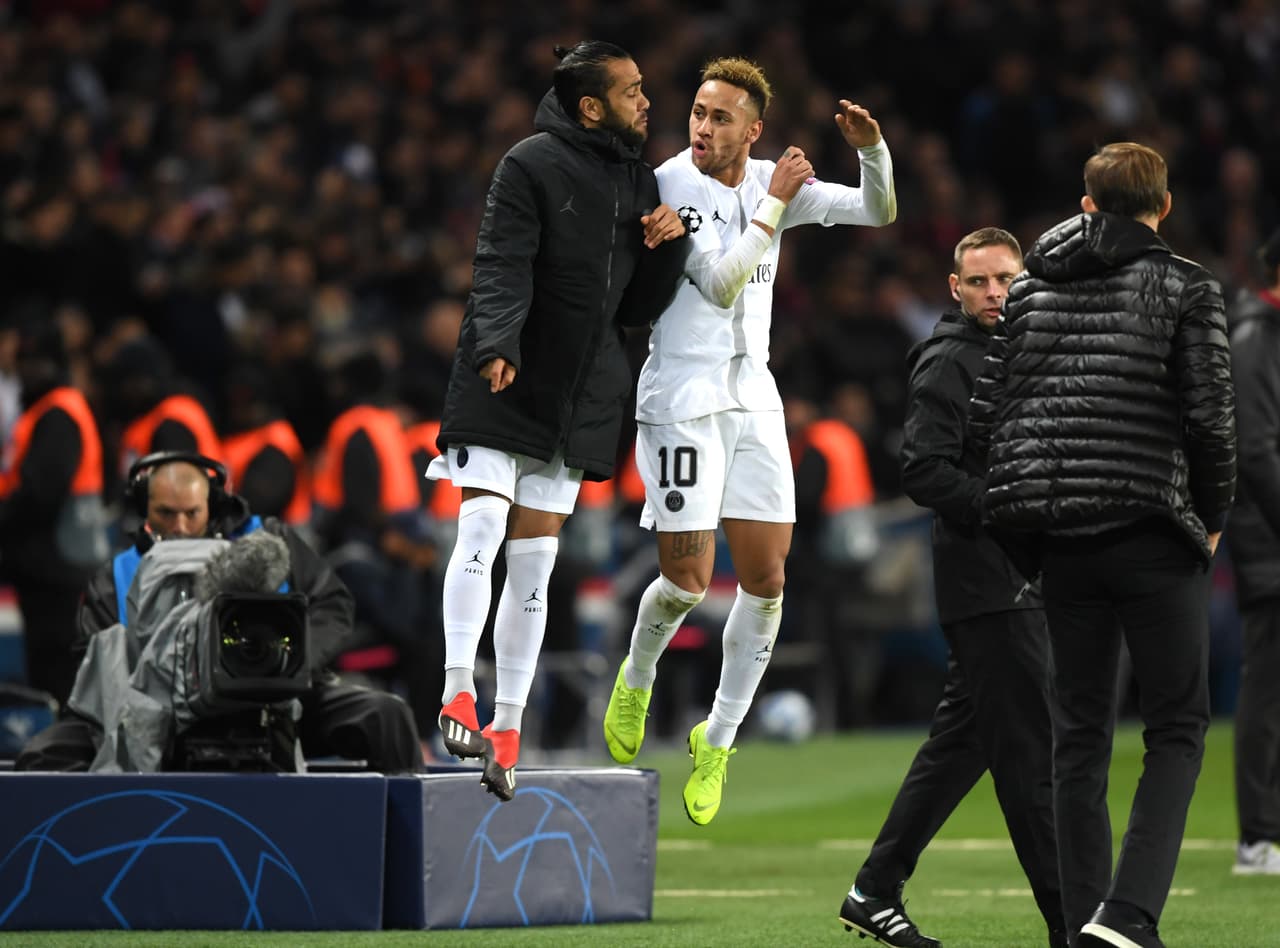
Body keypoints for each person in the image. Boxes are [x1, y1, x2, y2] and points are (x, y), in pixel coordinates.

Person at [601, 56, 897, 825]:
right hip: (682, 398)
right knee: (690, 580)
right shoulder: (668, 185)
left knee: (768, 581)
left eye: (720, 117)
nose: (703, 127)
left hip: (754, 398)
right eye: (698, 112)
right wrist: (774, 204)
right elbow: (721, 282)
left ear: (752, 129)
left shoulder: (772, 179)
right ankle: (637, 677)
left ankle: (719, 738)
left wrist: (871, 149)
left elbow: (877, 211)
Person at [968, 143, 1236, 948]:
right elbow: (1212, 420)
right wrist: (1211, 519)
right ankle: (1126, 917)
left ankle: (1082, 922)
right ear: (1164, 206)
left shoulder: (1030, 291)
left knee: (1078, 733)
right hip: (1153, 530)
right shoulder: (1187, 285)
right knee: (1177, 727)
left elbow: (986, 418)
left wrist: (1026, 527)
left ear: (1086, 204)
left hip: (1061, 542)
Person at [427, 40, 688, 802]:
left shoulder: (637, 180)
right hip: (503, 380)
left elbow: (635, 310)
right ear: (591, 106)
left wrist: (669, 252)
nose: (647, 101)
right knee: (480, 529)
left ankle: (507, 726)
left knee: (536, 565)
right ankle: (455, 692)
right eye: (633, 91)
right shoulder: (530, 163)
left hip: (580, 398)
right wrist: (497, 342)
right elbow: (500, 261)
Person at [838, 229, 1065, 948]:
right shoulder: (949, 363)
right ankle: (1074, 924)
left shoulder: (1014, 353)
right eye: (981, 282)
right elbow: (924, 472)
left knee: (962, 747)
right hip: (987, 584)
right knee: (1030, 760)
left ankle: (874, 889)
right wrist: (1011, 507)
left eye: (1006, 280)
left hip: (1009, 579)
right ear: (955, 287)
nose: (995, 292)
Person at [16, 451, 422, 774]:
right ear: (144, 510)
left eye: (191, 513)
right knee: (43, 755)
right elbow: (93, 662)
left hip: (273, 704)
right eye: (165, 514)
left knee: (383, 715)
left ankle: (413, 863)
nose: (179, 526)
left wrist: (293, 666)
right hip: (159, 712)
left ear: (211, 505)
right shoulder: (116, 576)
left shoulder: (268, 541)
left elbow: (333, 605)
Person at [0, 319, 110, 708]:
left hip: (58, 568)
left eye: (36, 363)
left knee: (58, 680)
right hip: (49, 567)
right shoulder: (46, 410)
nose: (27, 372)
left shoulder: (59, 413)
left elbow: (40, 493)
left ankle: (64, 760)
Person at [1225, 226, 1280, 876]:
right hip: (1269, 543)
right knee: (1268, 687)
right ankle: (1258, 838)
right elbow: (1257, 451)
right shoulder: (1255, 337)